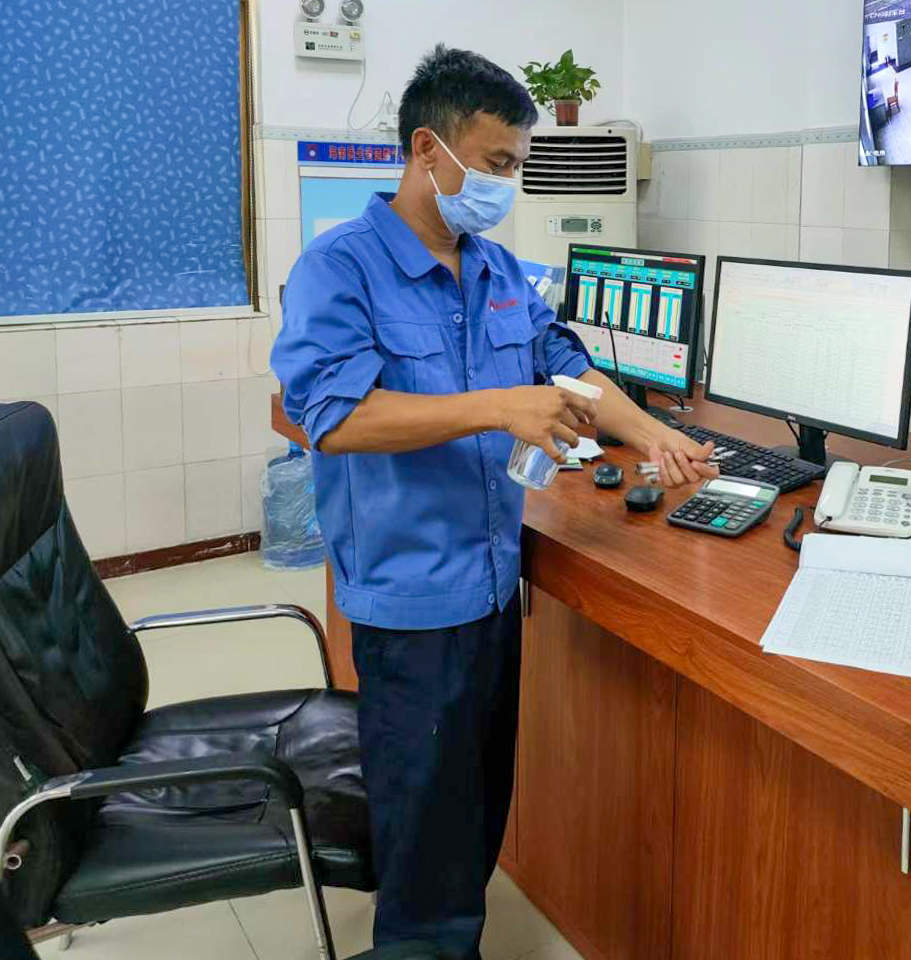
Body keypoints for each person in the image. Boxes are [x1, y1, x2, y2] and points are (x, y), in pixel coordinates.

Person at [271, 45, 716, 957]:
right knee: (426, 845)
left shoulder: (498, 270)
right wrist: (498, 406)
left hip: (491, 592)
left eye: (516, 165)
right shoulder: (341, 268)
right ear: (427, 149)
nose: (505, 184)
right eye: (497, 163)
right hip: (411, 602)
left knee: (473, 816)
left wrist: (650, 434)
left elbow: (567, 365)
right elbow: (333, 419)